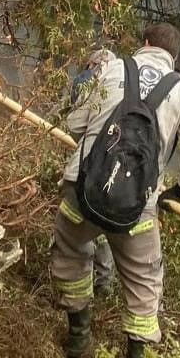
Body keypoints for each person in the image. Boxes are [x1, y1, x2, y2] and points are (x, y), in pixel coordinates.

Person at [51, 23, 180, 358]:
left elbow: (76, 124)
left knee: (72, 253)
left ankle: (79, 337)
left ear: (145, 42)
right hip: (137, 210)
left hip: (83, 191)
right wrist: (179, 192)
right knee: (143, 282)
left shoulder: (112, 68)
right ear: (173, 56)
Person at [68, 47, 116, 295]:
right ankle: (104, 281)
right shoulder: (126, 83)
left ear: (92, 64)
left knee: (78, 226)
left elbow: (75, 123)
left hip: (87, 163)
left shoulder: (86, 79)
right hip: (116, 171)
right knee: (104, 226)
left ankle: (82, 286)